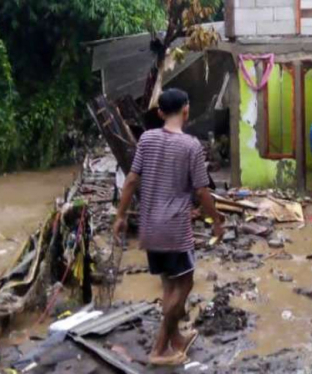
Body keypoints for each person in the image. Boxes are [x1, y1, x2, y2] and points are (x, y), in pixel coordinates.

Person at [113, 89, 224, 366]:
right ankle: (160, 348)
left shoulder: (147, 139)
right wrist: (217, 220)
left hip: (150, 228)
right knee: (185, 284)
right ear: (186, 110)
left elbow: (130, 181)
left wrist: (120, 216)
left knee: (168, 284)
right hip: (175, 230)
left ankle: (177, 339)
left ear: (160, 113)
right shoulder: (191, 146)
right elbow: (201, 191)